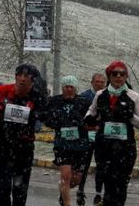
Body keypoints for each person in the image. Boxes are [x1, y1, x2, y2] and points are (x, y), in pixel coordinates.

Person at [84, 60, 139, 206]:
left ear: (126, 77)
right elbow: (91, 112)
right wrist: (89, 119)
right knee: (108, 184)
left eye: (122, 74)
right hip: (104, 147)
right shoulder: (100, 95)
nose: (118, 76)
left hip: (125, 148)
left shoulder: (133, 96)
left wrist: (130, 116)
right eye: (114, 73)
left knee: (121, 185)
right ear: (109, 76)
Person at [0, 63, 48, 206]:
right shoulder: (2, 91)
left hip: (24, 147)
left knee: (19, 189)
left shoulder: (37, 97)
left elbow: (47, 117)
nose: (22, 79)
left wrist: (39, 111)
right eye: (19, 75)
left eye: (27, 76)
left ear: (33, 80)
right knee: (4, 186)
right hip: (3, 145)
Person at [46, 75, 92, 206]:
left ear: (75, 88)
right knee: (65, 176)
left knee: (76, 179)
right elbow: (47, 119)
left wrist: (84, 123)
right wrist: (56, 122)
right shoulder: (55, 101)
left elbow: (92, 119)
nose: (69, 89)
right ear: (62, 88)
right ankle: (67, 203)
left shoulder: (84, 102)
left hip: (81, 145)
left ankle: (63, 190)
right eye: (66, 87)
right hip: (62, 144)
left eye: (71, 87)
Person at [78, 73, 107, 206]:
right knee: (85, 165)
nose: (100, 84)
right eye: (97, 82)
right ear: (92, 82)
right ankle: (80, 190)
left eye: (102, 82)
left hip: (102, 137)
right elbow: (80, 118)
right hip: (87, 136)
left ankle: (98, 193)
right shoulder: (84, 97)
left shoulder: (107, 96)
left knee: (101, 166)